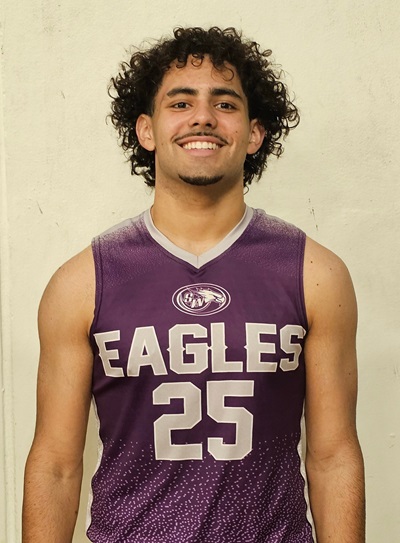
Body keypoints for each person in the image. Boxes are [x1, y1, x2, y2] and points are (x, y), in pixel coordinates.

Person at [22, 27, 365, 542]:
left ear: (254, 133)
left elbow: (333, 455)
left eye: (225, 104)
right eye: (180, 103)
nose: (203, 117)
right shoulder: (82, 282)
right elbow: (55, 463)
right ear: (146, 129)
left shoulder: (315, 274)